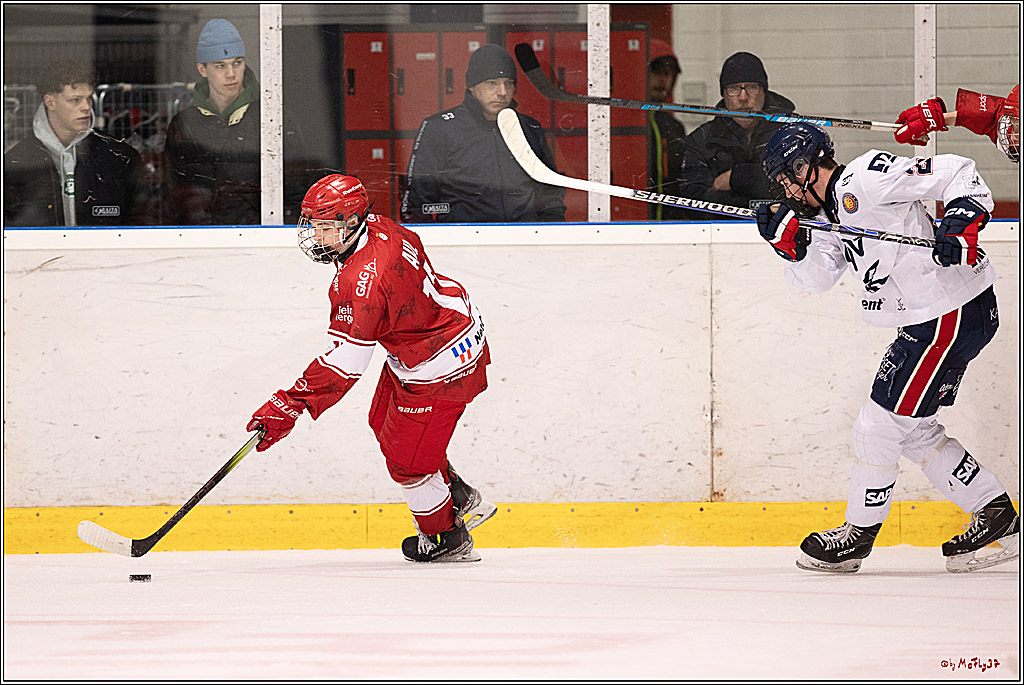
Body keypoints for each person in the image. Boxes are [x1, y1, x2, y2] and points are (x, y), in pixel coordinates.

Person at [755, 122, 1019, 574]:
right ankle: (994, 513)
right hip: (937, 319)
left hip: (948, 313)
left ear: (805, 166)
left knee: (876, 427)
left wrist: (960, 223)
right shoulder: (828, 217)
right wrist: (791, 247)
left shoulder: (865, 178)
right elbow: (818, 279)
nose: (786, 190)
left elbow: (958, 170)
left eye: (786, 178)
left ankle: (857, 534)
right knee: (912, 430)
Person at [247, 174, 497, 563]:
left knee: (408, 463)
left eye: (327, 227)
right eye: (314, 224)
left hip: (439, 363)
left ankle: (446, 538)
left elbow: (345, 365)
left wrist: (289, 404)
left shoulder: (361, 283)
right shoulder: (381, 226)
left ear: (353, 221)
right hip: (436, 333)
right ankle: (458, 496)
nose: (317, 235)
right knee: (383, 421)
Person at [401, 43, 566, 224]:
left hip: (524, 239)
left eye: (508, 84)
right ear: (472, 87)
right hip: (465, 242)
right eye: (492, 83)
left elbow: (550, 192)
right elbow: (417, 201)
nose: (502, 92)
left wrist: (549, 232)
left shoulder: (529, 128)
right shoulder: (440, 128)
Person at [4, 59, 143, 226]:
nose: (86, 107)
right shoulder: (15, 162)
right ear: (50, 102)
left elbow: (141, 222)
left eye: (89, 98)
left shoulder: (120, 157)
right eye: (75, 100)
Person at [163, 19, 262, 225]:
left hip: (257, 235)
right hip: (199, 235)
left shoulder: (269, 116)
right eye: (220, 66)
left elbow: (295, 186)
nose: (231, 74)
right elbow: (172, 192)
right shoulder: (184, 123)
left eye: (237, 63)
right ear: (202, 70)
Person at [677, 51, 796, 219]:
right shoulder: (701, 141)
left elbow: (800, 189)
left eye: (752, 88)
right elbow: (693, 202)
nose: (743, 97)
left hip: (784, 232)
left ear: (764, 92)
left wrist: (737, 178)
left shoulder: (790, 134)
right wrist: (760, 195)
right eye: (734, 89)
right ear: (724, 95)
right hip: (721, 234)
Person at [894, 84, 1019, 164]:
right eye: (1013, 126)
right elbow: (992, 118)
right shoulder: (1008, 130)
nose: (1012, 136)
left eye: (1018, 128)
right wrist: (934, 119)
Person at [645, 39, 688, 221]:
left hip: (671, 228)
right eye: (656, 71)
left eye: (668, 73)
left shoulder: (674, 127)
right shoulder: (624, 125)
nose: (663, 79)